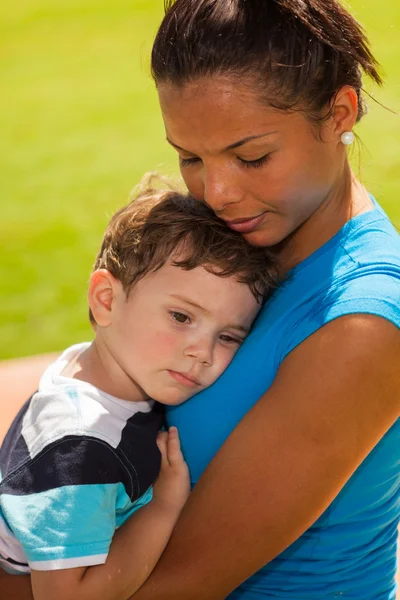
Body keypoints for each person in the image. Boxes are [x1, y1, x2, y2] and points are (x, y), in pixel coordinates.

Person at [0, 0, 399, 598]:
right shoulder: (234, 244)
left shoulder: (360, 325)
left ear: (340, 112)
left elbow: (181, 582)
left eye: (252, 157)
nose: (216, 192)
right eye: (190, 156)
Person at [0, 182, 275, 600]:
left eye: (229, 337)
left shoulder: (102, 370)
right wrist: (164, 506)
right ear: (106, 300)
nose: (201, 352)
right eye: (181, 316)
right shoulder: (79, 446)